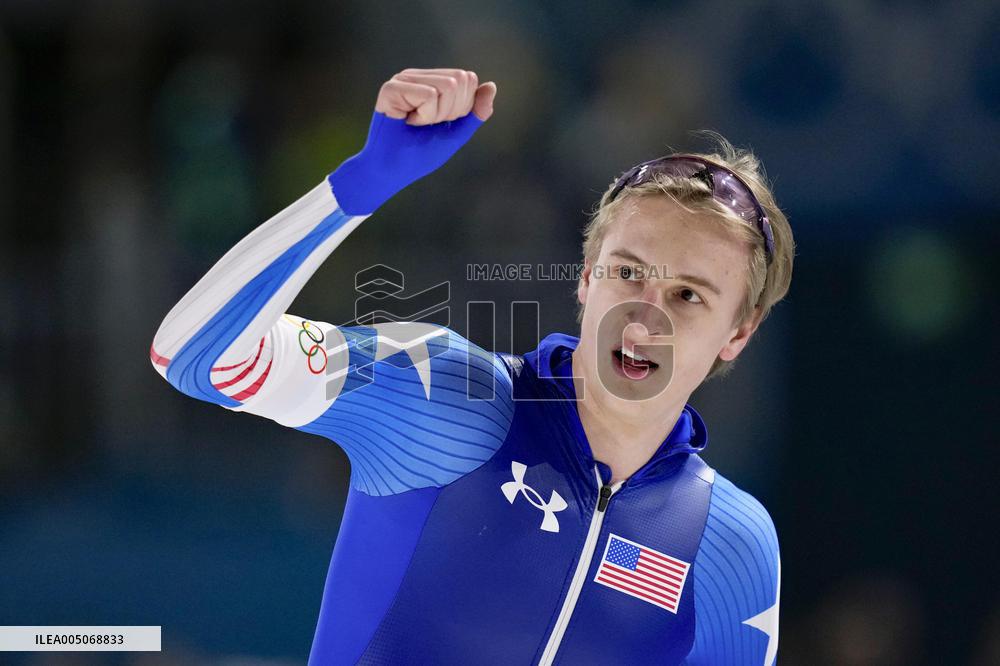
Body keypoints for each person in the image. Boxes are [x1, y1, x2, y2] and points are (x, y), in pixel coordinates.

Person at [150, 67, 793, 665]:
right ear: (586, 280)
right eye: (627, 274)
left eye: (688, 295)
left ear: (737, 333)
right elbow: (196, 355)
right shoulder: (445, 395)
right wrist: (359, 186)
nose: (644, 318)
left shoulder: (731, 545)